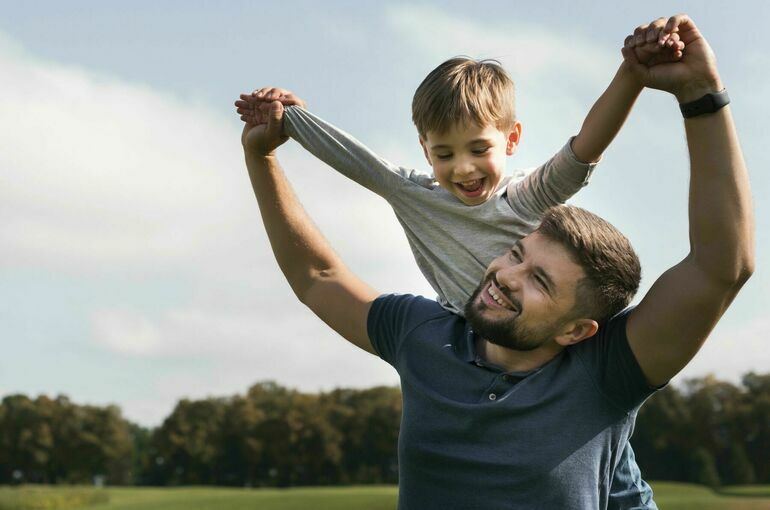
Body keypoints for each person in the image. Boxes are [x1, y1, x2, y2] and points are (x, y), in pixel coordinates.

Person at [240, 14, 753, 509]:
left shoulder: (607, 373)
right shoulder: (423, 335)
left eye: (541, 282)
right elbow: (317, 276)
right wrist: (261, 157)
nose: (505, 276)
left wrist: (700, 94)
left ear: (579, 329)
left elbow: (720, 267)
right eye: (515, 253)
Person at [235, 31, 683, 317]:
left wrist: (633, 73)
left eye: (478, 148)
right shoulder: (414, 194)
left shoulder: (526, 198)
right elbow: (353, 158)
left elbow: (586, 146)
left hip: (557, 345)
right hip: (468, 340)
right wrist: (286, 116)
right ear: (424, 150)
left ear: (510, 140)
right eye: (444, 153)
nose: (463, 168)